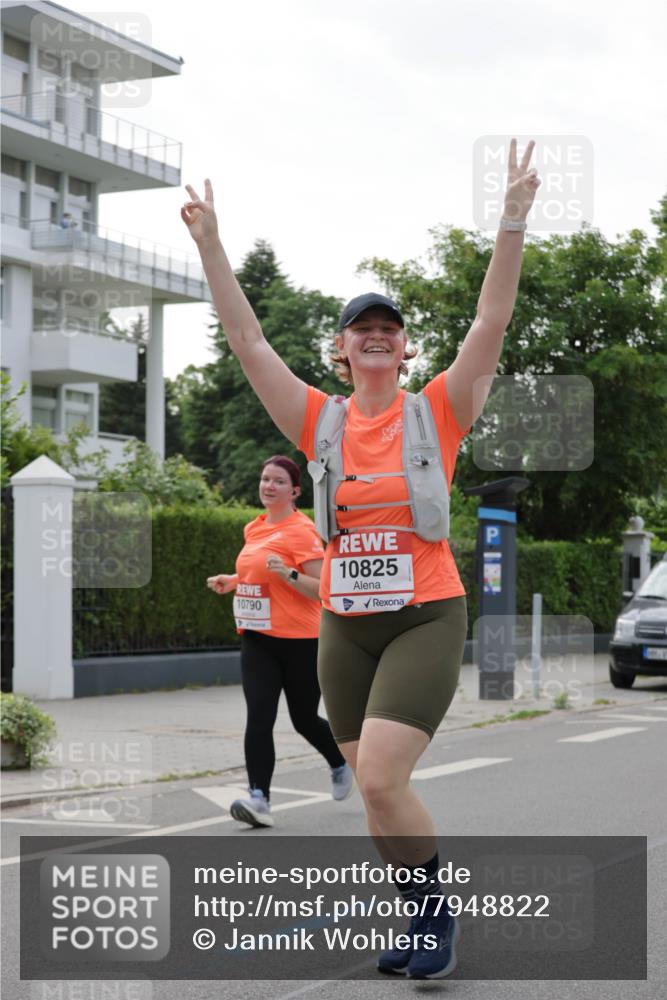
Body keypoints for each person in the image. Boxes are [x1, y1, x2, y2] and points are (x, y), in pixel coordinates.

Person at [184, 138, 541, 977]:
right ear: (340, 348)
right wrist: (210, 246)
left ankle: (436, 916)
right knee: (373, 791)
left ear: (405, 348)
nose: (375, 336)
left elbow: (489, 323)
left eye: (388, 329)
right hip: (343, 625)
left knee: (380, 778)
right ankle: (417, 919)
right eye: (361, 329)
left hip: (422, 614)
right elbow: (245, 339)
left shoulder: (438, 410)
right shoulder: (319, 421)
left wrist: (510, 221)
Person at [206, 455, 353, 828]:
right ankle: (259, 798)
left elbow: (323, 589)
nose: (268, 486)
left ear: (295, 491)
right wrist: (233, 580)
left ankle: (339, 761)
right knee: (259, 715)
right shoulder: (253, 528)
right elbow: (257, 571)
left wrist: (289, 574)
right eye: (265, 478)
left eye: (278, 481)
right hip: (257, 638)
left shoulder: (302, 531)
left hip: (302, 641)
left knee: (304, 719)